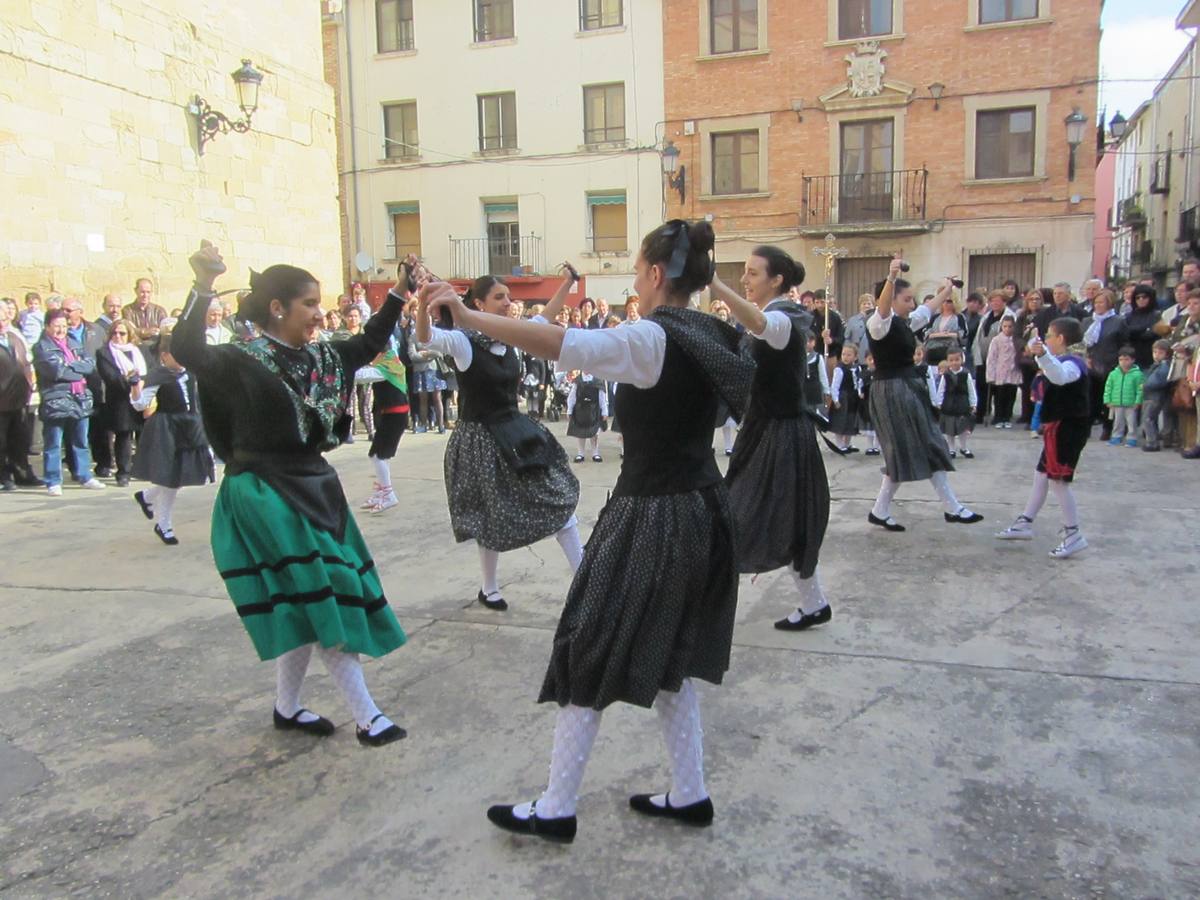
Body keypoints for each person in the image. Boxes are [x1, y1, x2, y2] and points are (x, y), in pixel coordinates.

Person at [428, 219, 752, 843]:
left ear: (657, 275)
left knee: (586, 646)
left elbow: (557, 342)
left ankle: (556, 807)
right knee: (672, 655)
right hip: (704, 508)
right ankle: (690, 793)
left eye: (637, 270)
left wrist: (467, 319)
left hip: (654, 514)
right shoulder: (712, 332)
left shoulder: (651, 339)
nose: (635, 280)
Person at [171, 242, 408, 747]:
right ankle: (367, 716)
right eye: (309, 304)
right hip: (264, 491)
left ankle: (287, 706)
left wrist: (400, 294)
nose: (320, 314)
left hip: (315, 486)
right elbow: (188, 351)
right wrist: (203, 284)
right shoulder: (240, 360)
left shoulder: (324, 355)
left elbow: (369, 341)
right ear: (277, 308)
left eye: (320, 304)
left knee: (302, 599)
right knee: (327, 594)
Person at [415, 268, 582, 612]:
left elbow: (545, 318)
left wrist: (568, 283)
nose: (509, 303)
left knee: (558, 498)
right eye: (500, 297)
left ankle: (584, 582)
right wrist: (421, 303)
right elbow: (425, 338)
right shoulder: (463, 342)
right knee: (487, 517)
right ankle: (489, 589)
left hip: (516, 432)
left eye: (509, 296)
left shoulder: (514, 337)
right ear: (478, 303)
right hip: (481, 440)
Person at [711, 246, 833, 631]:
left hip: (781, 436)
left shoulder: (785, 318)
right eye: (743, 273)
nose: (745, 280)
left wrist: (715, 285)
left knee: (740, 518)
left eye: (752, 273)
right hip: (766, 431)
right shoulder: (768, 318)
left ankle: (702, 608)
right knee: (782, 521)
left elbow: (766, 328)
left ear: (777, 280)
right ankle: (815, 604)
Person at [865, 258, 982, 532]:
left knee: (923, 446)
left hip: (904, 389)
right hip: (892, 391)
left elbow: (928, 310)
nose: (912, 303)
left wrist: (947, 289)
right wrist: (891, 277)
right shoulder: (878, 323)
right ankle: (949, 508)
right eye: (907, 299)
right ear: (892, 299)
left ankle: (884, 510)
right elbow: (882, 311)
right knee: (911, 449)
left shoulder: (905, 322)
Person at [996, 318, 1091, 559]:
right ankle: (1025, 522)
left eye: (1049, 335)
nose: (1046, 339)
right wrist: (1042, 355)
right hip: (1057, 428)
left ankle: (1073, 534)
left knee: (1058, 481)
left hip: (1067, 430)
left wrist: (1043, 355)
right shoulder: (1062, 360)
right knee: (1041, 475)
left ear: (1061, 339)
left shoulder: (1073, 363)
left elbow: (1059, 376)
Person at [129, 325, 215, 543]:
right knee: (170, 477)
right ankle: (164, 524)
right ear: (165, 356)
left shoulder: (191, 374)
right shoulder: (158, 375)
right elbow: (141, 405)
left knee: (182, 474)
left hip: (189, 426)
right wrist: (134, 387)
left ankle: (147, 497)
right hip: (167, 428)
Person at [33, 309, 106, 495]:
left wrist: (70, 365)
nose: (61, 330)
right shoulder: (42, 347)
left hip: (80, 397)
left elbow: (89, 366)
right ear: (47, 326)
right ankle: (53, 480)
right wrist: (75, 367)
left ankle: (84, 475)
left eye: (64, 326)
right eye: (56, 326)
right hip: (56, 399)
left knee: (81, 440)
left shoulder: (74, 343)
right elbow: (55, 371)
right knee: (54, 442)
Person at [360, 324, 411, 514]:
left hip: (396, 414)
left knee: (378, 455)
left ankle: (388, 494)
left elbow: (363, 376)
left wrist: (346, 370)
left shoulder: (387, 365)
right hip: (391, 413)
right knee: (379, 455)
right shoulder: (387, 361)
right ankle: (383, 491)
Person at [94, 319, 147, 486]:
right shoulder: (104, 353)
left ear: (130, 335)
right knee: (124, 436)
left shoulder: (139, 351)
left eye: (122, 333)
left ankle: (143, 468)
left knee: (144, 435)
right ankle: (123, 472)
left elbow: (149, 371)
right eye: (114, 333)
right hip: (120, 400)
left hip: (143, 397)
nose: (118, 336)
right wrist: (131, 381)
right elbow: (110, 377)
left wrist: (140, 382)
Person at [0, 302, 39, 491]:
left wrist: (31, 384)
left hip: (19, 397)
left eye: (4, 319)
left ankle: (22, 473)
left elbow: (27, 362)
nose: (2, 323)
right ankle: (4, 476)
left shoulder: (14, 337)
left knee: (20, 439)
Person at [1084, 290, 1128, 441]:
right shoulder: (1088, 321)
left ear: (1109, 304)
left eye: (1101, 302)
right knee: (1090, 397)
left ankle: (1107, 428)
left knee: (1108, 399)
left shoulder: (1118, 321)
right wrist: (1086, 357)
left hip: (1110, 364)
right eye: (1096, 303)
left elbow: (1123, 343)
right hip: (1090, 364)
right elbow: (1082, 344)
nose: (1098, 305)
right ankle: (1086, 427)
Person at [971, 291, 1015, 425]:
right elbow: (978, 337)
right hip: (984, 358)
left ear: (1004, 302)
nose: (994, 303)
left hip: (1001, 359)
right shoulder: (986, 316)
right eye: (992, 301)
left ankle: (1002, 416)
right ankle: (982, 412)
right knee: (981, 386)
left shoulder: (1009, 317)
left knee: (1001, 389)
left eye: (998, 300)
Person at [934, 348, 977, 458]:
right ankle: (951, 449)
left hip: (963, 403)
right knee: (949, 429)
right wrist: (938, 402)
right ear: (948, 361)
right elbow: (941, 389)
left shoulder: (966, 374)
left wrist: (973, 403)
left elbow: (971, 389)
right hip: (949, 404)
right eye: (951, 360)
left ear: (962, 360)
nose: (954, 362)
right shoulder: (946, 375)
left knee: (962, 427)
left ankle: (963, 448)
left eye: (957, 359)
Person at [1103, 347, 1143, 447]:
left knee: (1131, 422)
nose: (1123, 362)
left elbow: (1140, 389)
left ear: (1133, 360)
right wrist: (1107, 400)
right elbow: (1108, 387)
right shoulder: (1113, 374)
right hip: (1116, 402)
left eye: (1126, 359)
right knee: (1117, 422)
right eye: (1121, 360)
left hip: (1131, 403)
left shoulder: (1138, 375)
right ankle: (1116, 437)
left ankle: (1132, 438)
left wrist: (1138, 402)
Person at [987, 317, 1022, 428]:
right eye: (1005, 326)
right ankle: (998, 417)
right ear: (1001, 327)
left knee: (1011, 396)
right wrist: (990, 374)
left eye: (1010, 326)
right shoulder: (996, 340)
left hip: (1013, 371)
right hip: (1000, 372)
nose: (1007, 329)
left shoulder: (1016, 340)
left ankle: (1007, 417)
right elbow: (992, 358)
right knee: (999, 396)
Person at [828, 343, 863, 453]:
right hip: (843, 397)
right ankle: (839, 444)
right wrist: (836, 400)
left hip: (853, 397)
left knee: (851, 421)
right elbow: (835, 386)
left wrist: (860, 392)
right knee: (840, 421)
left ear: (855, 357)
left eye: (849, 355)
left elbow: (859, 382)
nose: (845, 357)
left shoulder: (857, 368)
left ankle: (847, 443)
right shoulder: (839, 369)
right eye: (843, 354)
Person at [566, 370, 607, 462]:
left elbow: (602, 397)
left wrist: (604, 411)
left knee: (594, 433)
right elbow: (572, 397)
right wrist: (569, 410)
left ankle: (595, 453)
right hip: (580, 410)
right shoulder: (577, 381)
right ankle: (580, 453)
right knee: (580, 433)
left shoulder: (598, 381)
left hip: (594, 410)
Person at [1139, 340, 1172, 452]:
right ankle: (1153, 439)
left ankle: (1152, 443)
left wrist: (1146, 385)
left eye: (1160, 353)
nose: (1156, 355)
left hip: (1155, 396)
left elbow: (1157, 380)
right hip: (1151, 396)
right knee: (1149, 419)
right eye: (1155, 352)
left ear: (1166, 354)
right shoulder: (1157, 365)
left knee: (1148, 419)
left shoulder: (1164, 366)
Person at [1125, 286, 1160, 370]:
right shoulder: (1129, 316)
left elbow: (1151, 334)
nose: (1141, 300)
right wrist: (1143, 329)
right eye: (1137, 297)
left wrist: (1134, 331)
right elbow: (1125, 333)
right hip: (1132, 357)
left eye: (1144, 297)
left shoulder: (1157, 315)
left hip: (1149, 358)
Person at [924, 297, 966, 367]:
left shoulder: (959, 317)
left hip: (950, 349)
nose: (946, 304)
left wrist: (949, 334)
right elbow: (927, 333)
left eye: (949, 301)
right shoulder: (935, 317)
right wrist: (941, 334)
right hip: (933, 349)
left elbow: (963, 334)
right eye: (944, 301)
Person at [844, 294, 875, 362]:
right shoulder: (852, 320)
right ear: (860, 306)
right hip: (857, 355)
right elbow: (847, 338)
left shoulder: (876, 320)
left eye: (869, 304)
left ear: (873, 306)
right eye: (864, 304)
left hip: (873, 354)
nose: (866, 306)